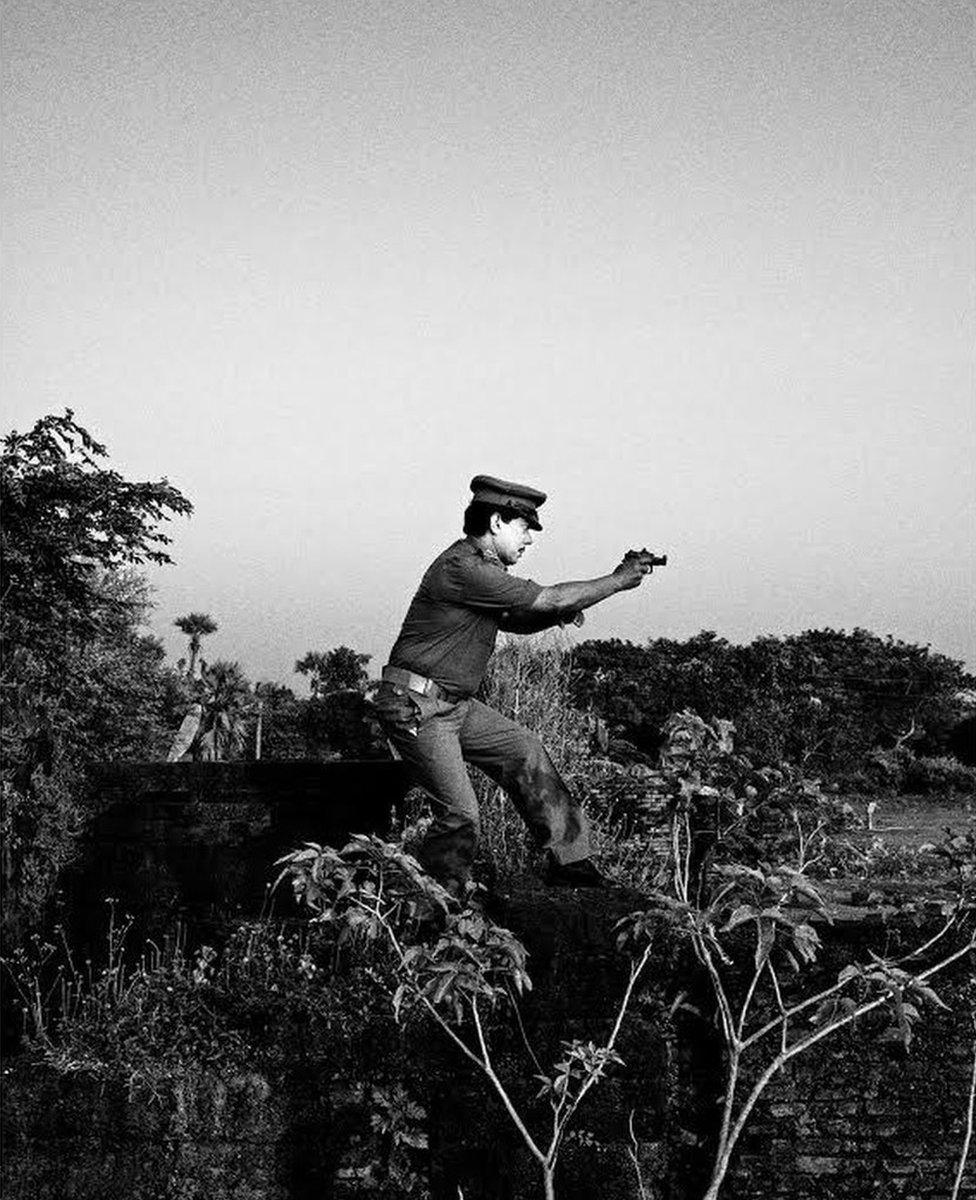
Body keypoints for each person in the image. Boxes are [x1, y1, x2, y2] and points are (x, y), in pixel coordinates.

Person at [373, 474, 656, 896]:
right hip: (417, 705)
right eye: (524, 528)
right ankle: (433, 904)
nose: (529, 540)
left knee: (525, 749)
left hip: (454, 706)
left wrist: (558, 612)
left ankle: (572, 863)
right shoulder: (462, 567)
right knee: (461, 814)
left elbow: (519, 620)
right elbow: (552, 598)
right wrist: (617, 579)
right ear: (497, 523)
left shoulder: (482, 572)